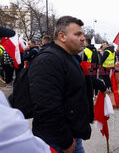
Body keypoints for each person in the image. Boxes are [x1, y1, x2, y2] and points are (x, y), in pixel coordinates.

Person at [28, 16, 93, 153]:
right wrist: (66, 142)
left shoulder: (70, 57)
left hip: (71, 136)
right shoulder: (47, 61)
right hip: (56, 141)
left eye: (82, 34)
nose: (83, 38)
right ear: (62, 36)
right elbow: (46, 107)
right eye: (77, 34)